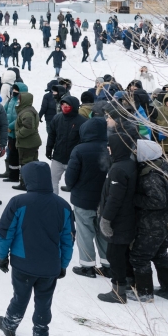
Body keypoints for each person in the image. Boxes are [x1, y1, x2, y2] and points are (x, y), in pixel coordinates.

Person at [0, 161, 74, 336]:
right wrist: (63, 264)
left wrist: (2, 256)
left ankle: (10, 325)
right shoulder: (63, 206)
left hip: (22, 264)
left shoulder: (18, 202)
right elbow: (68, 239)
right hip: (50, 266)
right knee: (44, 302)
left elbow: (5, 232)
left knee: (20, 296)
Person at [127, 139, 168, 302]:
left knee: (139, 257)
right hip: (166, 221)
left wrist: (134, 198)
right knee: (160, 255)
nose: (135, 153)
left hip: (153, 224)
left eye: (137, 151)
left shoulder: (151, 175)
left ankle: (145, 293)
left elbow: (157, 201)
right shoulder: (161, 167)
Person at [65, 117, 111, 277]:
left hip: (83, 199)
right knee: (104, 232)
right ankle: (108, 265)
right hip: (106, 200)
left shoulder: (80, 149)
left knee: (84, 232)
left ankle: (87, 266)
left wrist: (71, 187)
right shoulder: (111, 148)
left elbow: (70, 176)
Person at [97, 133, 139, 303]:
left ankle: (118, 291)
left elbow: (115, 198)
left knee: (114, 255)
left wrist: (106, 218)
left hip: (119, 220)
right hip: (127, 217)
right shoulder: (128, 164)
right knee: (122, 253)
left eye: (110, 145)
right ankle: (128, 281)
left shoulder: (119, 169)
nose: (108, 148)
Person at [45, 95, 85, 194]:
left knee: (75, 184)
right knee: (52, 181)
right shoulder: (57, 118)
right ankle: (53, 201)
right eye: (63, 104)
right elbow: (52, 135)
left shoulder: (82, 122)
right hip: (58, 157)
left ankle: (76, 203)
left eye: (67, 105)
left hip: (73, 159)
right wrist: (48, 149)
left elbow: (85, 141)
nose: (65, 107)